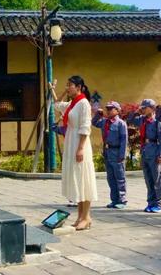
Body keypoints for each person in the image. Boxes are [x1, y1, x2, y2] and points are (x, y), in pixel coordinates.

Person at [52, 75, 98, 230]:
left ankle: (86, 217)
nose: (68, 87)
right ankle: (80, 216)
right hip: (71, 142)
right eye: (67, 84)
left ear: (79, 87)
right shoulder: (73, 103)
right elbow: (57, 105)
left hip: (80, 144)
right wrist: (60, 91)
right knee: (77, 179)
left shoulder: (83, 103)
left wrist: (80, 148)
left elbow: (86, 126)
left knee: (83, 178)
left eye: (70, 85)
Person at [127, 99, 161, 213]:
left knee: (157, 179)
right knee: (148, 179)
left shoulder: (157, 121)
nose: (143, 109)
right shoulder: (142, 120)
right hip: (145, 151)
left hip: (154, 151)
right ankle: (151, 202)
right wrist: (136, 111)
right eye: (142, 108)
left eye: (145, 108)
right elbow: (130, 120)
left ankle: (159, 203)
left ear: (152, 108)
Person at [92, 101, 128, 209]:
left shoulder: (120, 123)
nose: (108, 111)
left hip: (117, 151)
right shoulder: (104, 122)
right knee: (111, 177)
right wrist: (98, 114)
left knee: (120, 177)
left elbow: (124, 140)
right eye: (107, 109)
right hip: (107, 152)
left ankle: (122, 200)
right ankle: (114, 199)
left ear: (117, 111)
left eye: (111, 109)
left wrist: (122, 155)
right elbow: (94, 123)